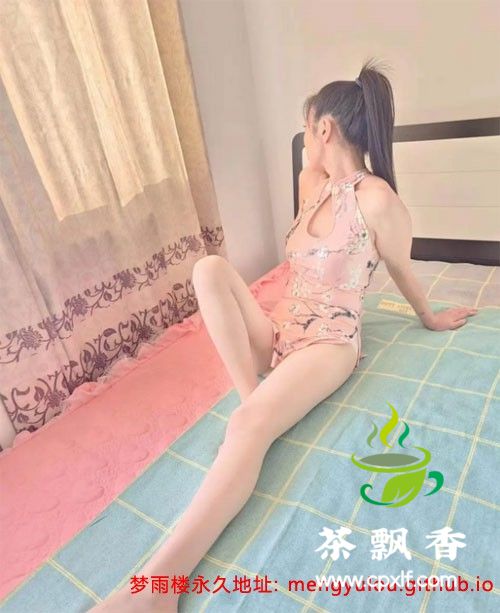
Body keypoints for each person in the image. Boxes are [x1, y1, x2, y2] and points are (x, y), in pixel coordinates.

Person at [91, 58, 477, 613]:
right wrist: (317, 140)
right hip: (280, 331)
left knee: (248, 428)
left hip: (328, 343)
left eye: (308, 126)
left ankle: (159, 589)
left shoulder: (378, 200)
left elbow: (400, 268)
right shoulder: (309, 184)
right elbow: (309, 204)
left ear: (325, 128)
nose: (305, 138)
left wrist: (430, 316)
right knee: (208, 270)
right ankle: (252, 398)